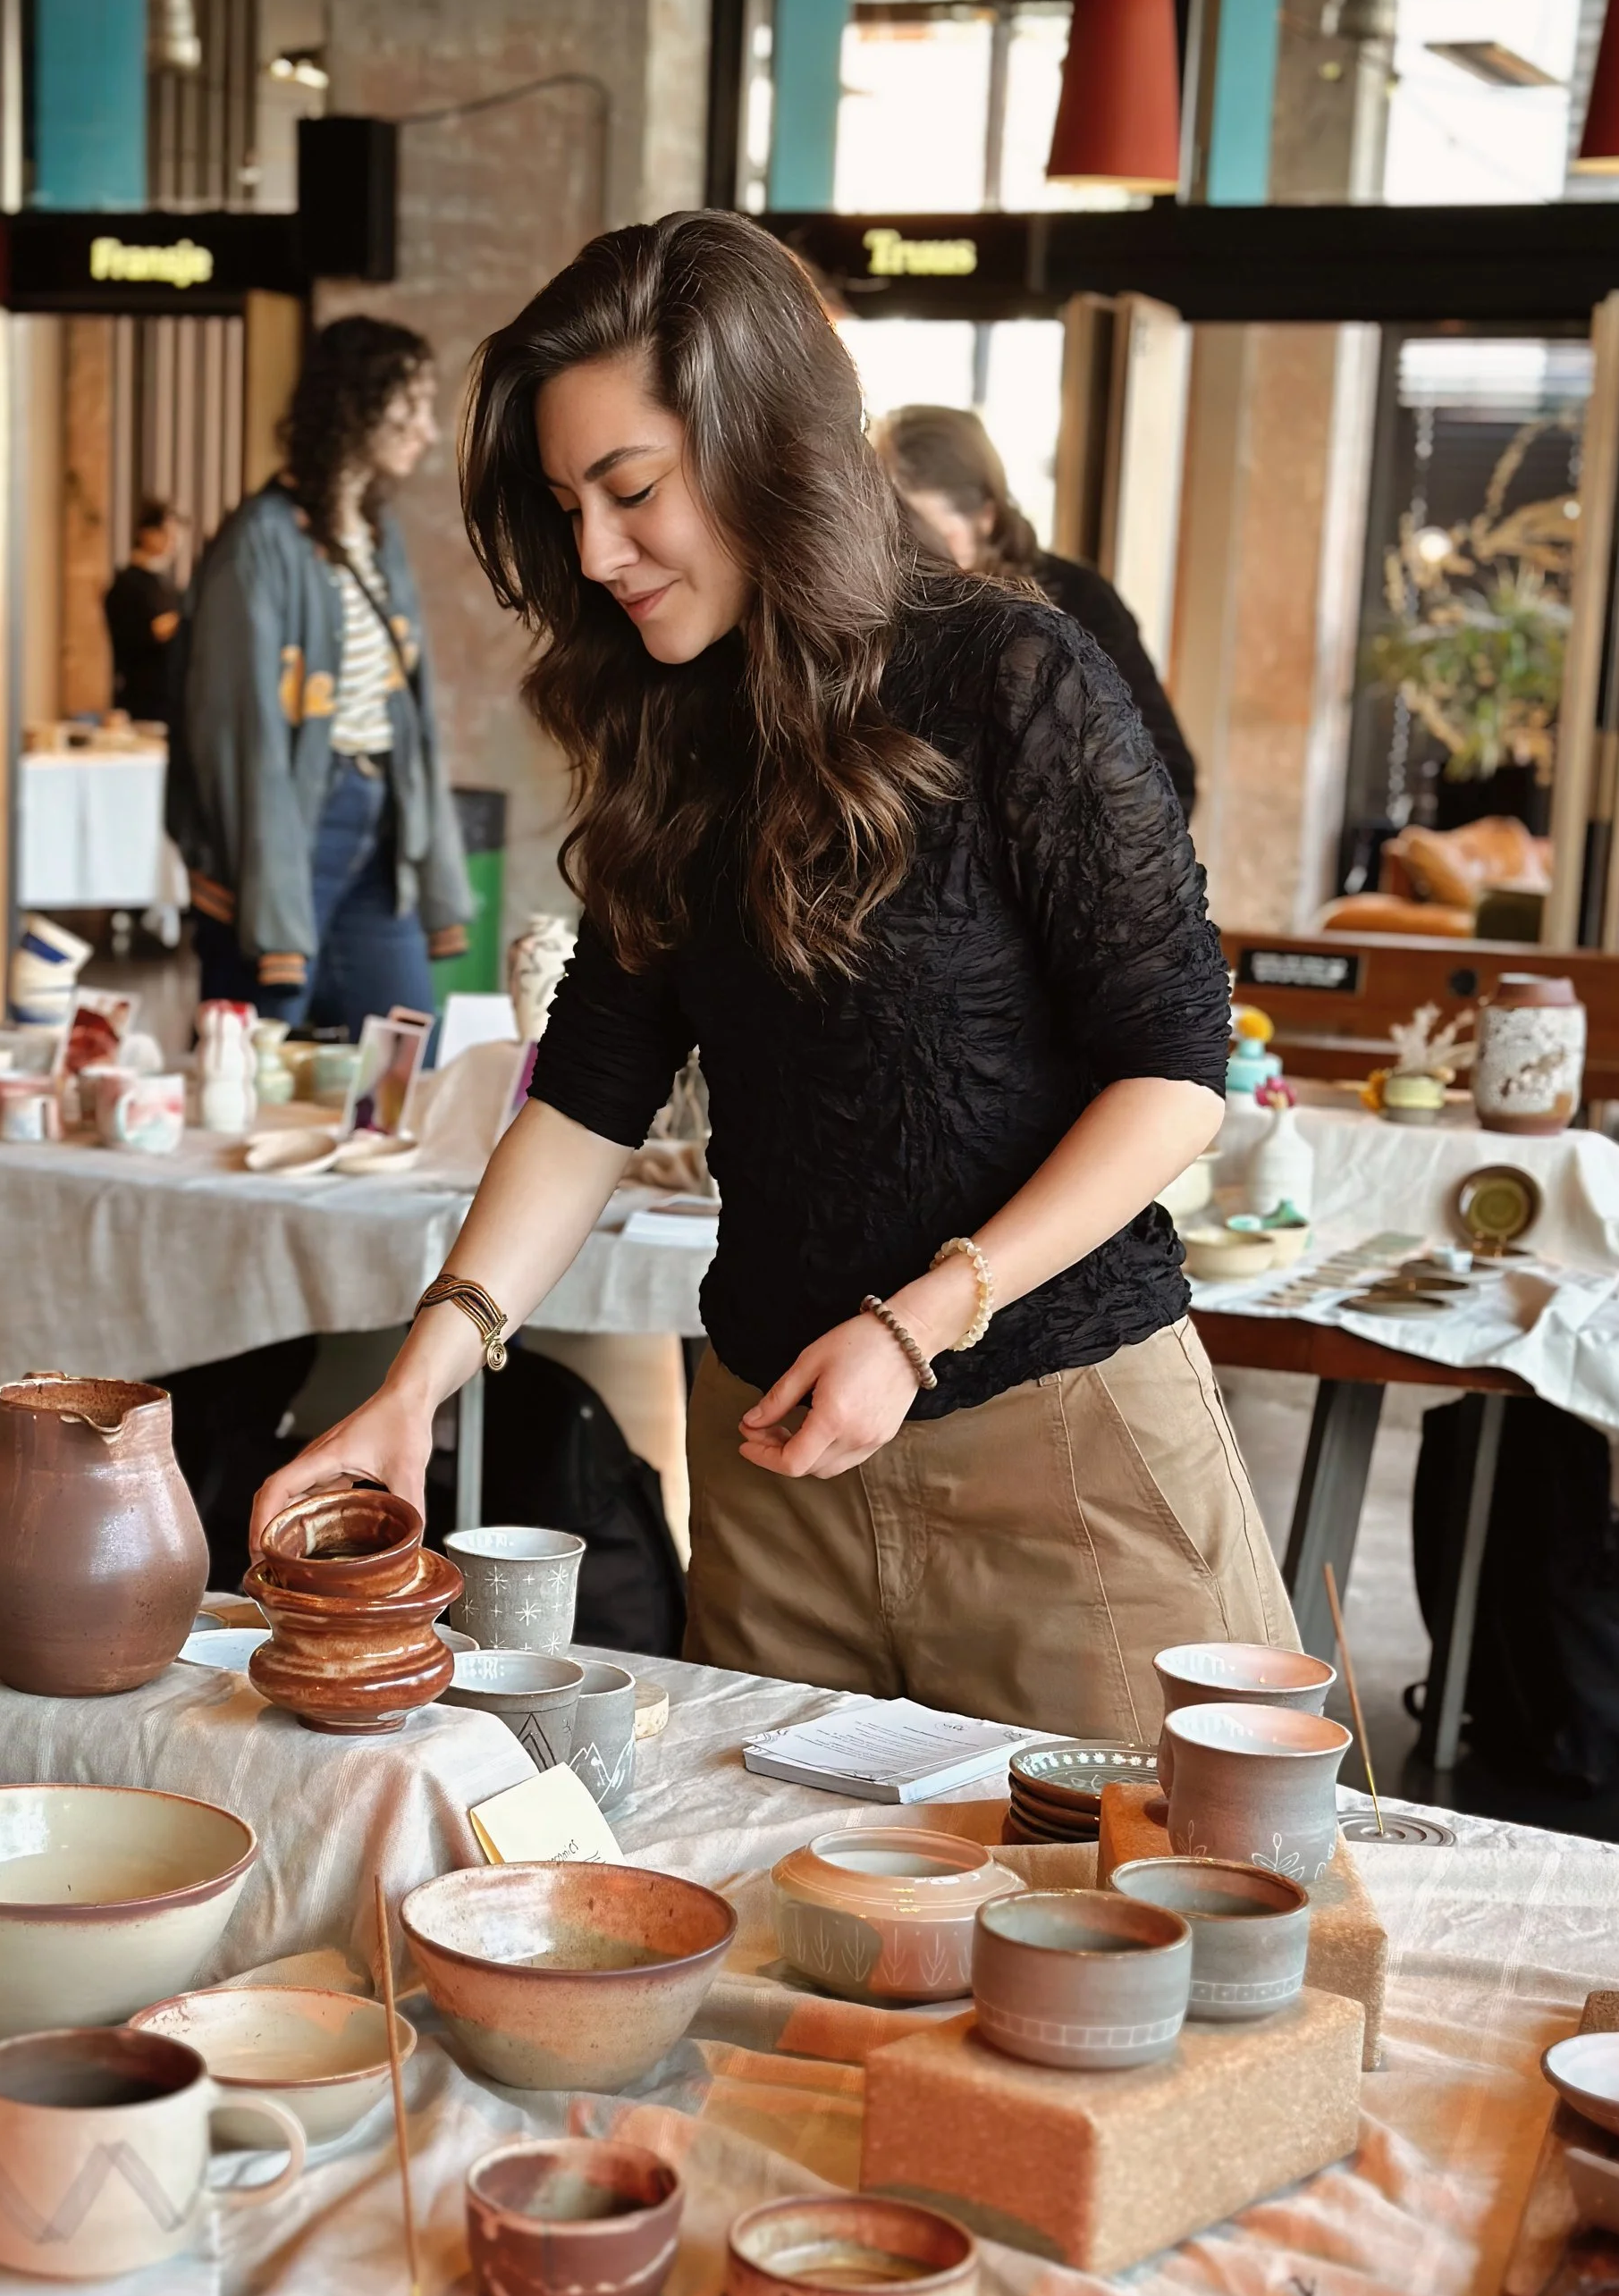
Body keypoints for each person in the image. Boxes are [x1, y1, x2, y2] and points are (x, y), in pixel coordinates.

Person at [253, 214, 1291, 1743]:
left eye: (632, 492)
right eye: (567, 506)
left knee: (1177, 1935)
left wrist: (921, 1319)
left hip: (1063, 1459)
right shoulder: (669, 728)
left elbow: (1174, 1070)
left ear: (766, 446)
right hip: (779, 1467)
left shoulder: (1012, 676)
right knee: (784, 1946)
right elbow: (590, 1084)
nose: (597, 556)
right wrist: (419, 1381)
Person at [169, 316, 470, 1028]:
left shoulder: (377, 533)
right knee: (263, 1050)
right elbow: (244, 742)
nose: (427, 431)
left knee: (401, 1054)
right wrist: (266, 897)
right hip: (292, 824)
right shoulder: (259, 544)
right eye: (410, 408)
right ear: (355, 406)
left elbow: (412, 711)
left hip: (377, 815)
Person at [875, 402, 1197, 818]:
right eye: (897, 538)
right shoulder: (875, 604)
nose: (914, 559)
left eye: (933, 535)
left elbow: (1169, 777)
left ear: (986, 519)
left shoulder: (1077, 601)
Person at [103, 495, 183, 724]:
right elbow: (147, 632)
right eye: (166, 534)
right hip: (143, 700)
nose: (173, 542)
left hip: (169, 697)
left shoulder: (166, 584)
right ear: (146, 533)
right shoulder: (128, 584)